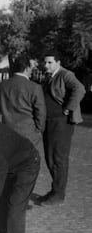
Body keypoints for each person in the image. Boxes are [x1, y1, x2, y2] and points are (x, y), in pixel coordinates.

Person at [36, 52, 86, 206]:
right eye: (45, 62)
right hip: (50, 122)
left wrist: (68, 108)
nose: (46, 65)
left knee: (58, 158)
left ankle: (59, 195)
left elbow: (80, 89)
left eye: (50, 62)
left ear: (58, 62)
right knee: (50, 158)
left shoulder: (66, 74)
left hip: (61, 123)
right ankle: (55, 190)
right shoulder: (49, 77)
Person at [0, 55, 46, 149]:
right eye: (31, 68)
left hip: (7, 130)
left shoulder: (2, 85)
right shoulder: (34, 87)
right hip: (29, 133)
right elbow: (41, 112)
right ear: (27, 68)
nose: (32, 71)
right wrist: (39, 130)